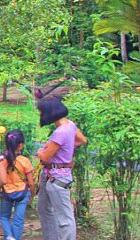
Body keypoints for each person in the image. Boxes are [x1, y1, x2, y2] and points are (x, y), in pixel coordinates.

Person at [36, 98, 87, 240]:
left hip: (57, 177)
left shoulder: (60, 132)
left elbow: (45, 157)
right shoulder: (70, 125)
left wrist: (40, 151)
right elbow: (83, 140)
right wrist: (67, 149)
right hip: (51, 176)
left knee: (64, 218)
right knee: (44, 209)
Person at [0, 130, 35, 240]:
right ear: (20, 145)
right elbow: (30, 182)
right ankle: (15, 238)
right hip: (22, 192)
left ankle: (9, 236)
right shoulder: (24, 161)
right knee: (18, 220)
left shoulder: (1, 160)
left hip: (6, 191)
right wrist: (32, 194)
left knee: (4, 216)